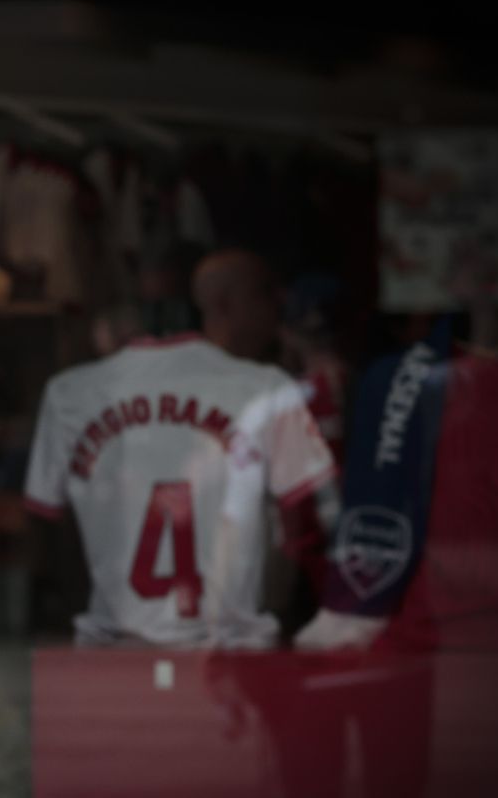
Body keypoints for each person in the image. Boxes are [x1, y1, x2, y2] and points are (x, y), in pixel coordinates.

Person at [22, 249, 335, 645]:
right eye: (265, 293)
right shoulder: (268, 388)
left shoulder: (71, 391)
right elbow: (309, 524)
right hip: (230, 651)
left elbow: (46, 529)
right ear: (219, 304)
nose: (278, 307)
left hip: (116, 647)